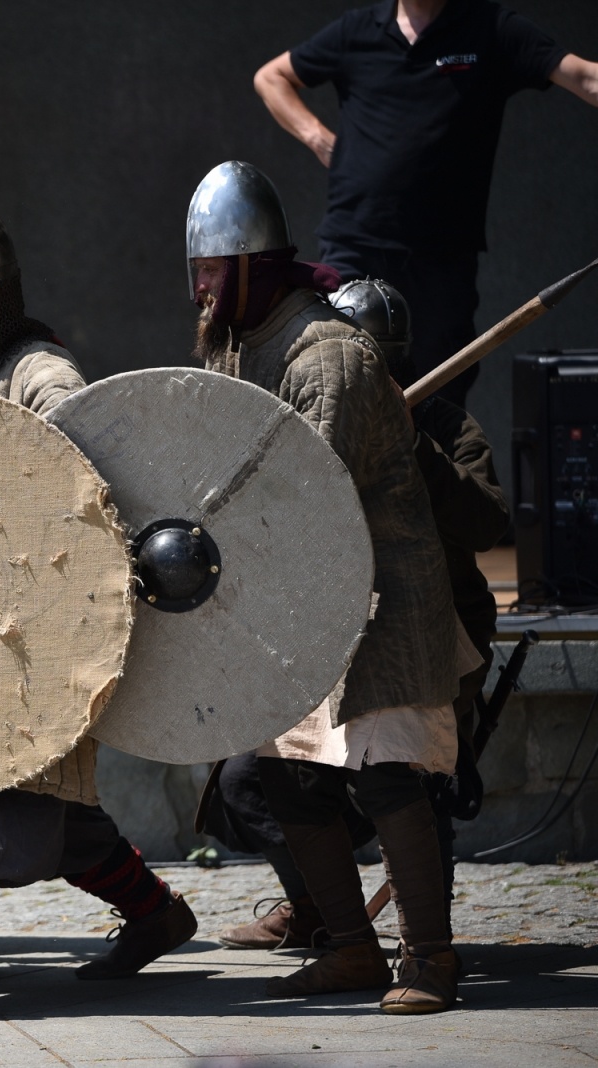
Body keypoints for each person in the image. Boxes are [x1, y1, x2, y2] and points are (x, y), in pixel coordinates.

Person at [0, 197, 196, 1025]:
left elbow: (80, 487)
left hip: (26, 634)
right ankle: (156, 913)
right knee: (51, 816)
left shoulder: (41, 376)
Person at [186, 160, 473, 1014]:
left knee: (385, 779)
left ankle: (431, 960)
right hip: (303, 600)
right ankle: (350, 950)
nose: (200, 288)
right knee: (285, 776)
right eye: (195, 270)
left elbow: (301, 498)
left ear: (252, 266)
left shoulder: (329, 357)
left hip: (382, 596)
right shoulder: (239, 343)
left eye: (213, 270)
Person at [206, 278, 509, 951]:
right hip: (331, 636)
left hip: (429, 641)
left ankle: (425, 946)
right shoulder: (312, 409)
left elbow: (486, 522)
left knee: (405, 776)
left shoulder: (445, 426)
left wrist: (411, 444)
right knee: (253, 777)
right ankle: (319, 908)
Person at [252, 0, 598, 405]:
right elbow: (271, 77)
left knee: (439, 396)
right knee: (339, 381)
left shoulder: (489, 28)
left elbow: (585, 77)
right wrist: (318, 138)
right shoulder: (358, 30)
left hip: (441, 258)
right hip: (355, 245)